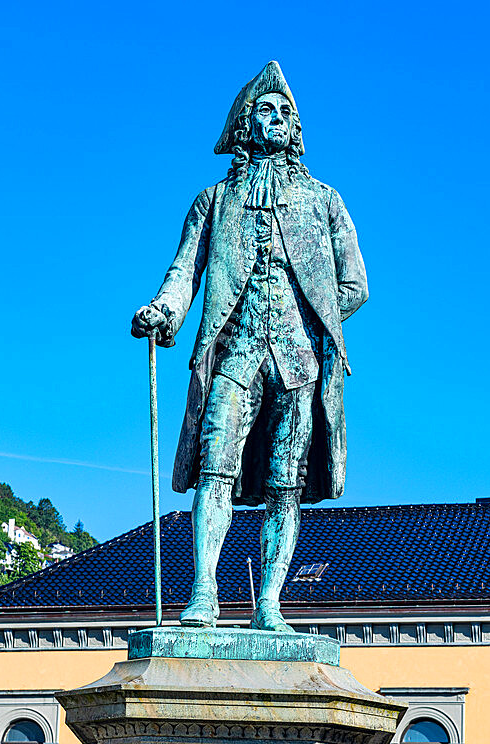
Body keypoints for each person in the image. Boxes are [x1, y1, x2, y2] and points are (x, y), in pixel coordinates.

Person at [132, 61, 367, 631]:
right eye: (268, 109)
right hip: (234, 352)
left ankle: (270, 605)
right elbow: (185, 270)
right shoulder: (213, 200)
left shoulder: (325, 200)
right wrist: (163, 311)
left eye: (289, 112)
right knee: (216, 468)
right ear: (244, 123)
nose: (280, 117)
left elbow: (355, 285)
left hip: (299, 361)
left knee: (284, 486)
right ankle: (204, 596)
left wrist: (314, 323)